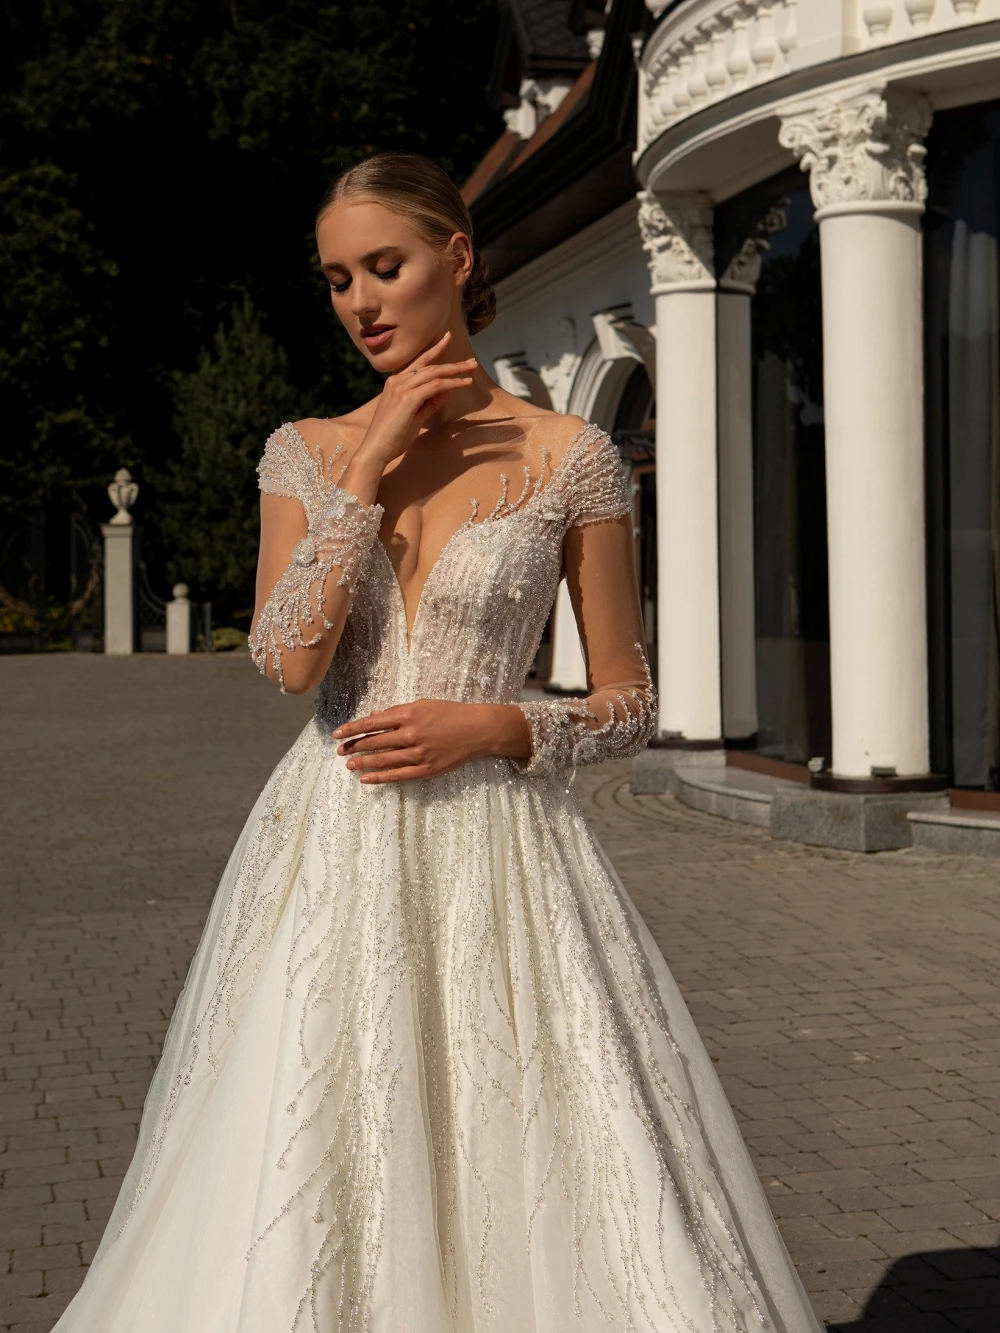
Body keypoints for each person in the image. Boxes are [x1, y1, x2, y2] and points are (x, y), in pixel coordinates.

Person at [53, 153, 822, 1333]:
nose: (360, 301)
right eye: (335, 279)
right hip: (331, 842)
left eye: (385, 267)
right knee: (317, 1136)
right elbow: (287, 663)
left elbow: (629, 701)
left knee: (528, 1136)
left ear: (456, 260)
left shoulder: (572, 455)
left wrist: (501, 722)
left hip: (499, 851)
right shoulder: (305, 449)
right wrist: (364, 466)